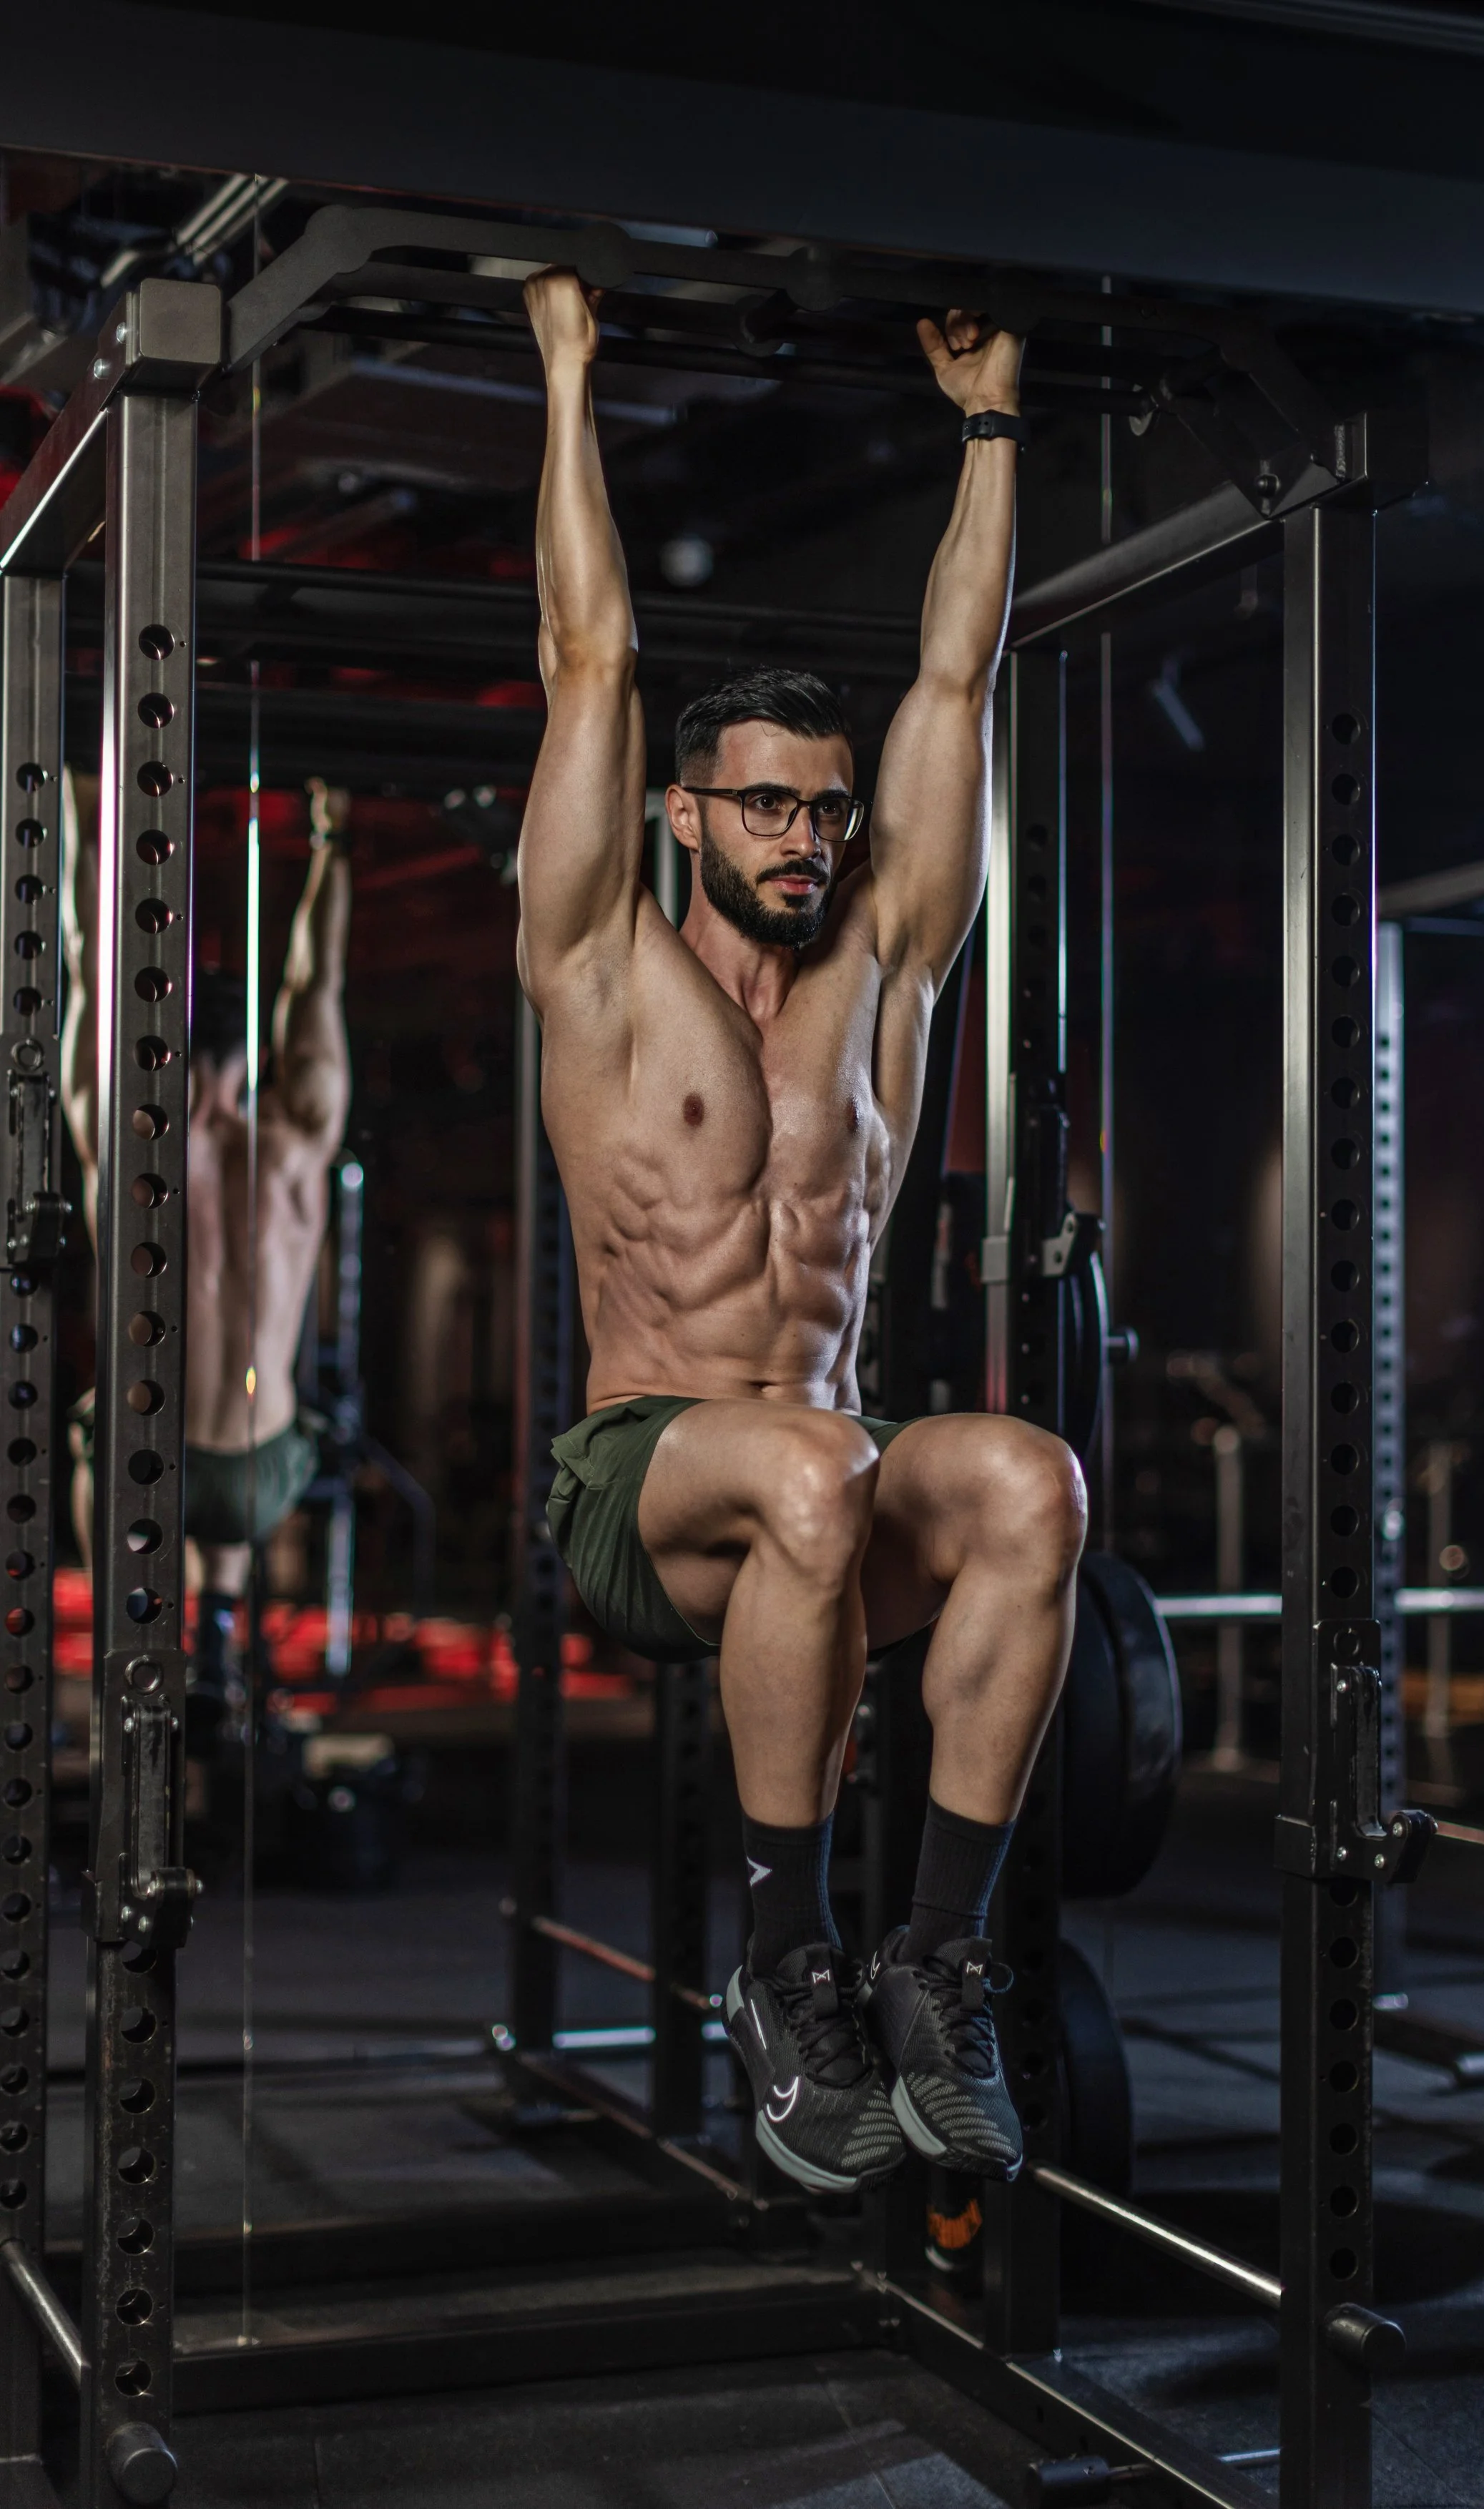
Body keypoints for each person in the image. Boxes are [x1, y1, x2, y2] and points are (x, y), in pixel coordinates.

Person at [519, 270, 1086, 2199]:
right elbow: (584, 657)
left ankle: (931, 1964)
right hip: (642, 1488)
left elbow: (955, 680)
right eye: (762, 806)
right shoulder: (598, 972)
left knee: (1025, 1478)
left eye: (824, 814)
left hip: (821, 1473)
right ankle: (780, 1959)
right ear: (685, 817)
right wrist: (569, 367)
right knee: (815, 1473)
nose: (804, 841)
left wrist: (990, 428)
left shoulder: (887, 976)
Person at [64, 775, 353, 1736]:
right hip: (263, 1469)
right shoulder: (298, 1136)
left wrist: (87, 811)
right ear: (255, 1056)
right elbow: (319, 983)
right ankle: (222, 1622)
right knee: (254, 1410)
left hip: (154, 1457)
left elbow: (88, 969)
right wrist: (331, 846)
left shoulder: (132, 1138)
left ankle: (127, 1645)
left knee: (95, 1424)